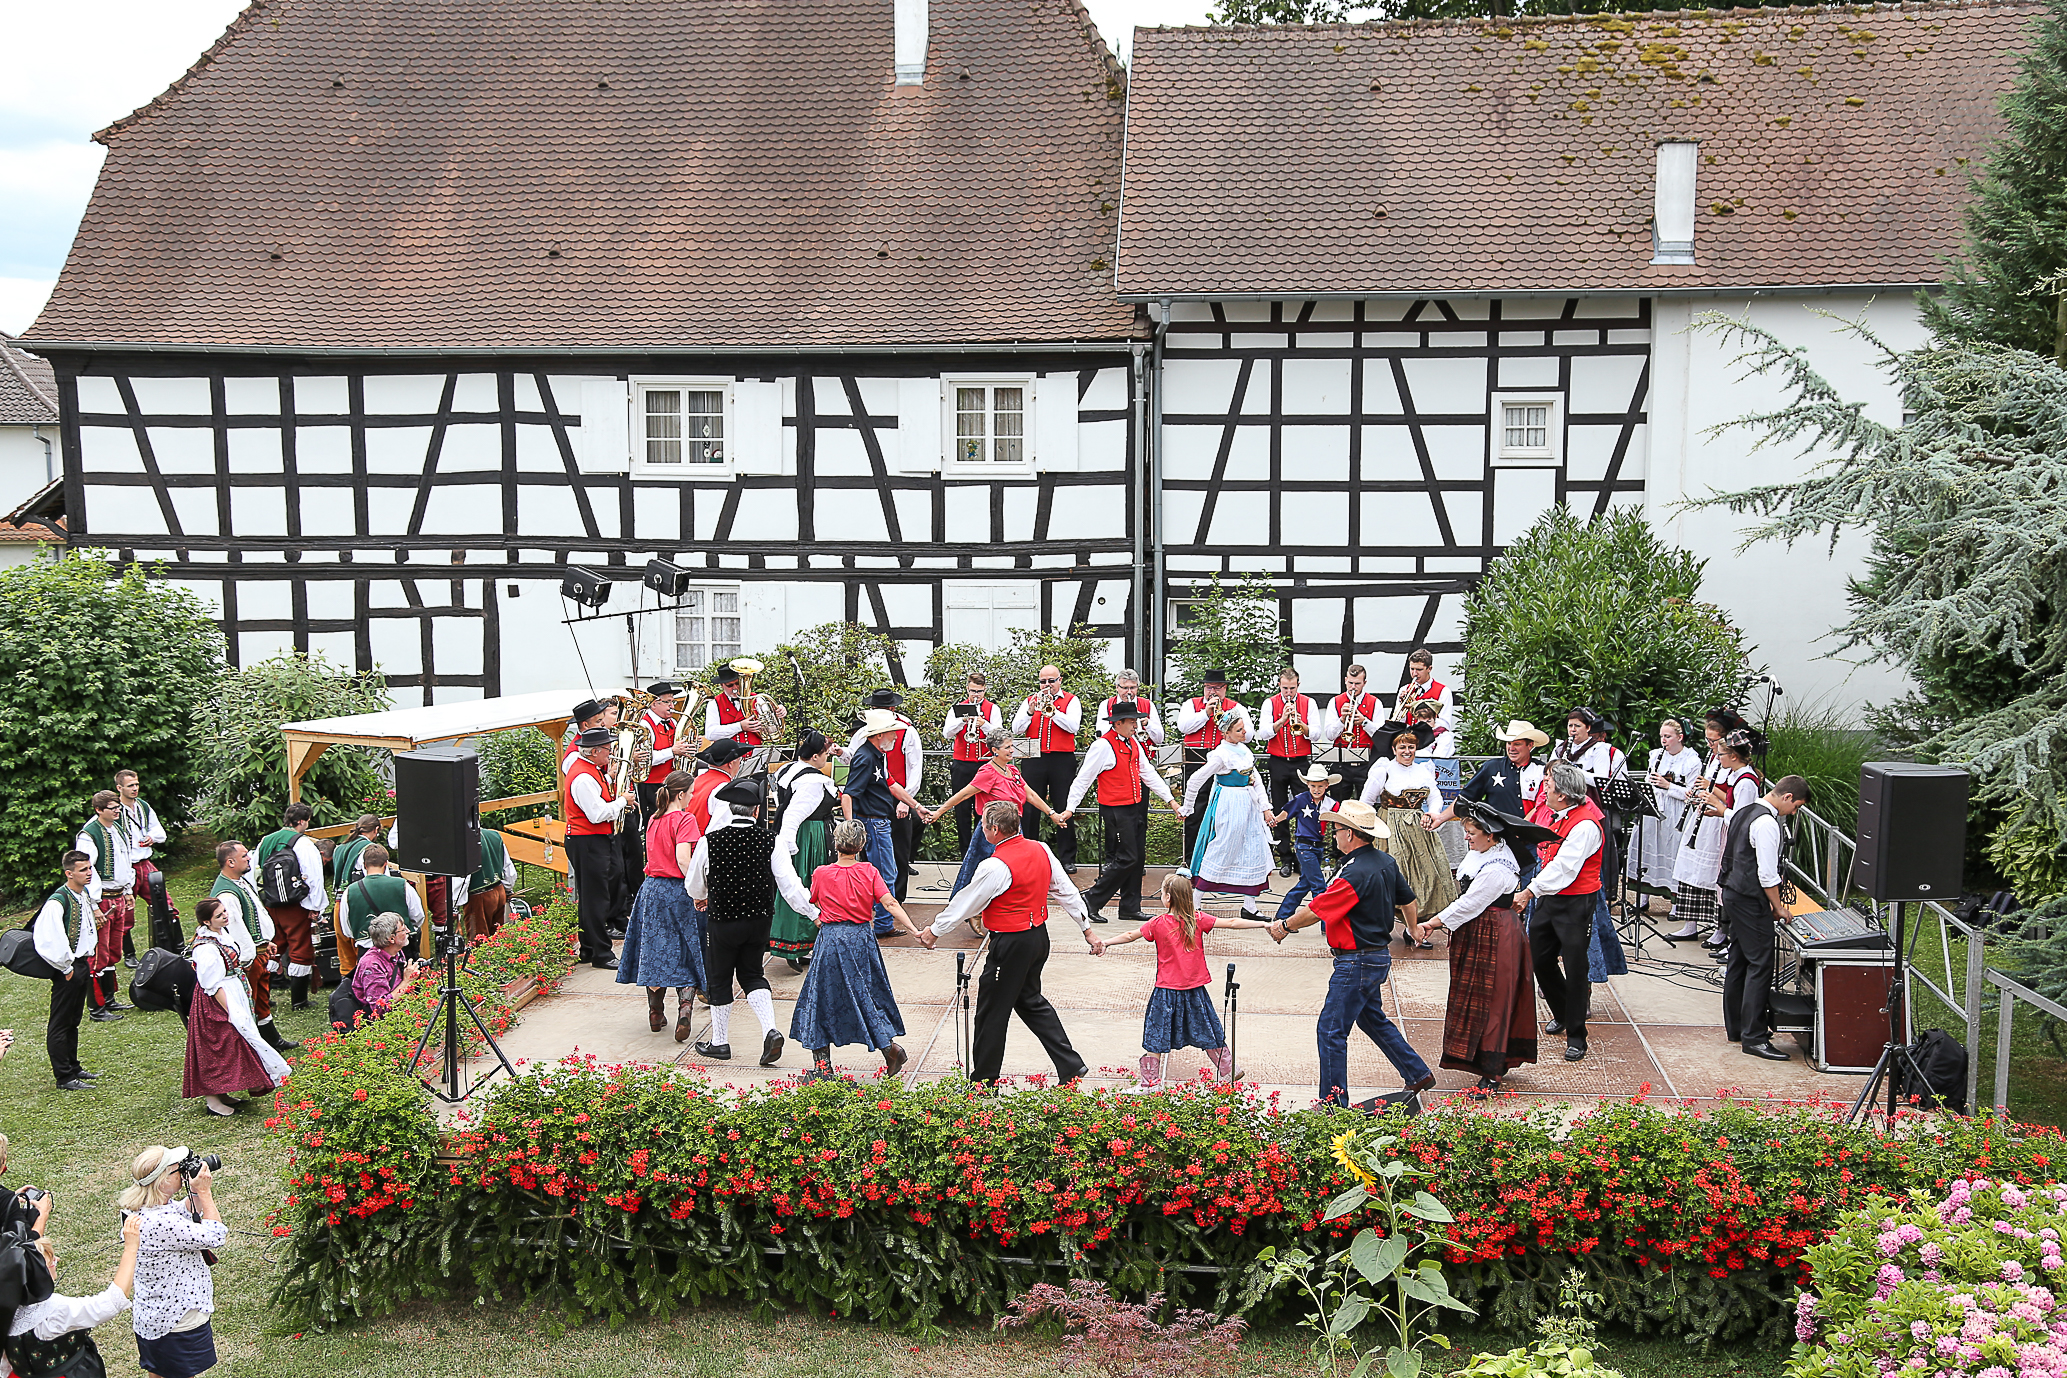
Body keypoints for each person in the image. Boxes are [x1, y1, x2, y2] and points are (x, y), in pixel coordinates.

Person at [1265, 800, 1434, 1110]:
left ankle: (1332, 1104)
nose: (1333, 835)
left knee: (1330, 1030)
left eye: (1338, 830)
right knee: (1373, 1021)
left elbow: (1318, 909)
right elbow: (1408, 900)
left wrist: (1284, 926)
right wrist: (1413, 929)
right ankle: (1417, 1073)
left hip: (1356, 961)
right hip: (1374, 958)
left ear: (1352, 834)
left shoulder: (1354, 873)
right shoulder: (1384, 861)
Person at [922, 801, 1103, 1085]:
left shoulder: (994, 866)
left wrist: (935, 930)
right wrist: (1086, 928)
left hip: (1011, 944)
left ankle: (984, 1083)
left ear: (994, 829)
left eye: (983, 826)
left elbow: (966, 903)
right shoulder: (1041, 849)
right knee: (1030, 1001)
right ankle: (1070, 1064)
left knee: (991, 1012)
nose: (982, 830)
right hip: (1038, 939)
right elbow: (1066, 890)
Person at [1407, 801, 1540, 1091]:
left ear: (1491, 836)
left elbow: (1470, 904)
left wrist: (1432, 923)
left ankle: (1493, 1068)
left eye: (1471, 833)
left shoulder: (1498, 868)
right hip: (1481, 931)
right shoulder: (1486, 851)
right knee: (1479, 996)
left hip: (1495, 934)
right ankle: (1483, 1059)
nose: (1466, 838)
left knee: (1494, 998)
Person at [780, 818, 926, 1080]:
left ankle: (823, 1068)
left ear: (836, 844)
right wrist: (914, 930)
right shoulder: (869, 871)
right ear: (862, 845)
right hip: (861, 940)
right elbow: (890, 903)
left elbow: (813, 900)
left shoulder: (822, 873)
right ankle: (890, 1049)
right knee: (866, 996)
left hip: (832, 941)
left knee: (820, 999)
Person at [1098, 873, 1268, 1087]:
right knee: (1208, 1029)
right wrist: (1263, 925)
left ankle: (1150, 1083)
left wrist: (1106, 942)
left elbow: (1131, 934)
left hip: (1166, 991)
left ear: (1168, 898)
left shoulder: (1158, 923)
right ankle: (1229, 1068)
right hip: (1195, 989)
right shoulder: (1197, 919)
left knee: (1156, 1033)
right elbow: (1232, 922)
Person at [1515, 761, 1607, 1063]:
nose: (1545, 788)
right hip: (1551, 898)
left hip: (1576, 903)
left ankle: (1577, 1035)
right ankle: (1564, 1011)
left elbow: (1565, 868)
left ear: (1564, 795)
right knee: (1540, 958)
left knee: (1576, 965)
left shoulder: (1585, 825)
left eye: (1550, 784)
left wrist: (1529, 891)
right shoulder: (1556, 815)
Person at [686, 776, 782, 1065]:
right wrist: (813, 913)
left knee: (719, 977)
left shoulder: (710, 841)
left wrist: (701, 896)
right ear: (755, 811)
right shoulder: (770, 840)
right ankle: (770, 1030)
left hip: (723, 920)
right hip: (758, 920)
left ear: (730, 809)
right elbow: (786, 882)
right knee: (752, 974)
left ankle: (720, 1042)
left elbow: (693, 884)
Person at [1063, 702, 1183, 925]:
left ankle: (1130, 906)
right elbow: (1084, 779)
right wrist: (1071, 807)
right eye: (1131, 722)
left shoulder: (1133, 742)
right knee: (1127, 857)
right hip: (1115, 810)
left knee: (1136, 858)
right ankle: (1091, 899)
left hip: (1134, 807)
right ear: (1118, 724)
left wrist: (1171, 801)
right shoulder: (1102, 746)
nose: (1135, 726)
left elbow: (1148, 773)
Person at [1719, 775, 1811, 1060]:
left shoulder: (1744, 810)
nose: (1793, 812)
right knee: (1760, 963)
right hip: (1749, 898)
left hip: (1732, 892)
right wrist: (1779, 907)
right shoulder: (1768, 823)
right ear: (1786, 797)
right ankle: (1754, 1037)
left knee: (1739, 959)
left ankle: (1737, 1027)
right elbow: (1767, 874)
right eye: (1795, 806)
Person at [928, 730, 1069, 903]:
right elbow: (963, 795)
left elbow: (1030, 795)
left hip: (1014, 828)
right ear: (995, 750)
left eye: (1012, 746)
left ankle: (1001, 908)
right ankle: (975, 909)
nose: (1011, 750)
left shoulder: (1012, 770)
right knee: (989, 872)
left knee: (1011, 871)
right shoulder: (987, 772)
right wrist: (939, 812)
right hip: (993, 830)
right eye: (1007, 747)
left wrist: (1052, 813)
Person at [123, 1146, 228, 1378]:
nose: (182, 1172)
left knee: (160, 1372)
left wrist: (195, 1193)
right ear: (162, 1181)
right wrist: (206, 1193)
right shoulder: (162, 1223)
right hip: (177, 1318)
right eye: (176, 1170)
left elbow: (180, 1212)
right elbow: (216, 1235)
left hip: (155, 1315)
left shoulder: (144, 1209)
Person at [617, 769, 705, 1042]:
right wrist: (699, 887)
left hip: (651, 890)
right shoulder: (684, 819)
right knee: (685, 949)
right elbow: (682, 859)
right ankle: (686, 1007)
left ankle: (656, 1013)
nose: (692, 799)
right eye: (690, 793)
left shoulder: (654, 819)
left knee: (654, 950)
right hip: (677, 890)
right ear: (681, 794)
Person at [184, 898, 291, 1117]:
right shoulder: (205, 947)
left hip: (232, 990)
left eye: (224, 912)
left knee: (234, 1044)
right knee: (219, 1046)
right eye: (219, 915)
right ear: (206, 921)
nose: (225, 916)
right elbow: (211, 984)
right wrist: (231, 1011)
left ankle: (222, 1092)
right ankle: (212, 1099)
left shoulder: (221, 934)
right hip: (217, 999)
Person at [2, 1207, 139, 1378]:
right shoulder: (53, 1310)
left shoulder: (6, 1309)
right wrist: (131, 1248)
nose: (55, 1261)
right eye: (51, 1261)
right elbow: (112, 1302)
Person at [1549, 707, 1631, 984]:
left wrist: (1578, 777)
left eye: (1577, 726)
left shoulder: (1608, 752)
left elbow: (1616, 785)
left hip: (1592, 814)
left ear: (1589, 728)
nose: (1572, 731)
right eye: (1570, 726)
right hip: (1560, 815)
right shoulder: (1560, 750)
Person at [1179, 709, 1281, 920]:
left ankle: (1250, 906)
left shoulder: (1244, 751)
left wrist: (1265, 807)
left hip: (1248, 804)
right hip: (1229, 803)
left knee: (1254, 849)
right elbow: (1195, 780)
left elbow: (1257, 780)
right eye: (1239, 729)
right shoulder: (1221, 755)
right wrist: (1187, 807)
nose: (1244, 732)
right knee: (1222, 847)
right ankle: (1195, 903)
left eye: (1243, 728)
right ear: (1226, 734)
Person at [1359, 720, 1459, 933]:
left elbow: (1435, 797)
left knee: (1425, 875)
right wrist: (1369, 829)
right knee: (1394, 875)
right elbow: (1366, 801)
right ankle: (1382, 925)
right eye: (1402, 747)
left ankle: (1414, 927)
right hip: (1390, 829)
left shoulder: (1423, 770)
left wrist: (1433, 813)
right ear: (1394, 748)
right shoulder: (1384, 769)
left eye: (1411, 747)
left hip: (1419, 829)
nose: (1407, 751)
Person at [840, 709, 928, 936]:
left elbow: (892, 784)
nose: (896, 738)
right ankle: (882, 924)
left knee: (884, 872)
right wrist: (852, 827)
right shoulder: (865, 758)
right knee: (886, 873)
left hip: (878, 821)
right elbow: (849, 794)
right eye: (892, 733)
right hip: (873, 822)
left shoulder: (876, 755)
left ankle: (880, 921)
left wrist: (916, 805)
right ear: (879, 735)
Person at [1682, 724, 1764, 956]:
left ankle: (1735, 942)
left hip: (1739, 841)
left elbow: (1742, 818)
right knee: (1726, 885)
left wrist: (1719, 808)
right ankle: (1732, 942)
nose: (1718, 758)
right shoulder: (1736, 776)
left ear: (1734, 756)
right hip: (1729, 834)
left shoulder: (1746, 781)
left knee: (1734, 887)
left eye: (1722, 754)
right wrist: (1715, 809)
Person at [206, 841, 294, 1053]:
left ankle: (272, 1040)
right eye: (244, 855)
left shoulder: (238, 882)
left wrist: (266, 941)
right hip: (248, 958)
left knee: (262, 998)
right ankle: (250, 1047)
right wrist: (247, 959)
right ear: (230, 862)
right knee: (250, 1001)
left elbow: (254, 916)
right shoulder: (226, 894)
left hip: (259, 952)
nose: (248, 858)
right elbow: (236, 931)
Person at [1436, 720, 1549, 884]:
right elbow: (1466, 799)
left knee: (1529, 889)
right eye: (1509, 743)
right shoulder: (1491, 767)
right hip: (1497, 841)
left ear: (1530, 745)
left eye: (1517, 744)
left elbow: (1542, 805)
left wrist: (1522, 829)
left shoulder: (1541, 770)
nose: (1511, 748)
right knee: (1493, 886)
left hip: (1529, 843)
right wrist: (1440, 818)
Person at [562, 725, 631, 970]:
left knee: (594, 897)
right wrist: (623, 801)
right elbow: (597, 813)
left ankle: (589, 949)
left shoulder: (590, 770)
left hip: (592, 839)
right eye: (607, 750)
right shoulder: (582, 777)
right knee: (595, 899)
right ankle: (601, 953)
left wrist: (611, 778)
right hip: (587, 840)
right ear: (593, 752)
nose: (610, 753)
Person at [32, 851, 102, 1091]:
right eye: (83, 870)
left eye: (90, 868)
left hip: (81, 964)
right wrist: (66, 967)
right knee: (61, 1022)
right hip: (68, 969)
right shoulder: (57, 901)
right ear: (69, 873)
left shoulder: (82, 895)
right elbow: (48, 938)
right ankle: (64, 1076)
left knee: (73, 1020)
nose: (89, 873)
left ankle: (73, 1066)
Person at [770, 735, 838, 969]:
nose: (826, 758)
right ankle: (800, 944)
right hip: (807, 837)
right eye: (825, 754)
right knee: (807, 884)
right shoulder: (812, 781)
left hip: (800, 835)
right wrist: (789, 848)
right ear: (816, 755)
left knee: (795, 884)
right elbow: (792, 817)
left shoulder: (788, 769)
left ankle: (796, 943)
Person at [255, 802, 327, 1010]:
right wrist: (315, 907)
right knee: (300, 949)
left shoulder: (265, 841)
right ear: (303, 821)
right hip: (296, 905)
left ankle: (263, 996)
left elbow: (254, 872)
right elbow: (313, 877)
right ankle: (299, 1001)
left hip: (270, 904)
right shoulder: (303, 844)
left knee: (273, 946)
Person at [1012, 667, 1084, 873]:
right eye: (1043, 681)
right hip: (1033, 757)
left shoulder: (1071, 700)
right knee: (1030, 807)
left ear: (1059, 680)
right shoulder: (1030, 700)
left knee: (1064, 805)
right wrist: (1030, 711)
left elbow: (1073, 727)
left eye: (1051, 681)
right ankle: (1028, 854)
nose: (1046, 685)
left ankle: (1067, 858)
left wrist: (1053, 711)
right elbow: (1016, 728)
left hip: (1062, 758)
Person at [1634, 718, 1704, 916]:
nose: (1663, 741)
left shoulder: (1692, 760)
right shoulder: (1655, 755)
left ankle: (1676, 903)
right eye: (1661, 736)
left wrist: (1668, 786)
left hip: (1677, 812)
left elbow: (1693, 794)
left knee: (1674, 854)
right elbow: (1650, 778)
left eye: (1668, 736)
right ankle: (1642, 899)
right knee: (1647, 848)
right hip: (1655, 808)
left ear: (1680, 738)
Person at [1257, 667, 1325, 873]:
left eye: (1292, 688)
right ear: (1279, 685)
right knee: (1279, 809)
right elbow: (1263, 733)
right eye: (1285, 688)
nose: (1289, 693)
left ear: (1298, 686)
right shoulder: (1270, 703)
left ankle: (1305, 856)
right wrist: (1282, 721)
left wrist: (1300, 723)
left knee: (1307, 808)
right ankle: (1285, 858)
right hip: (1277, 761)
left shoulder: (1308, 703)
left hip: (1301, 762)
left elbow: (1315, 734)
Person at [1172, 671, 1246, 858]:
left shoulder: (1236, 707)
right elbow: (1184, 727)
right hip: (1195, 761)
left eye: (1217, 688)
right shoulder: (1191, 705)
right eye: (1209, 687)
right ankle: (1191, 857)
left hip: (1224, 762)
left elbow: (1249, 734)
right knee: (1195, 810)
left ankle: (1217, 856)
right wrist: (1206, 713)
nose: (1212, 691)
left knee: (1222, 812)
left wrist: (1229, 720)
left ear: (1225, 688)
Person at [76, 790, 135, 1021]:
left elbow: (125, 860)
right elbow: (89, 873)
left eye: (118, 807)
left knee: (112, 951)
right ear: (99, 810)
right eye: (113, 808)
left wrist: (128, 890)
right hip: (102, 899)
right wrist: (94, 905)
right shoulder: (89, 835)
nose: (118, 811)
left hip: (118, 895)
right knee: (98, 953)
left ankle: (110, 999)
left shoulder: (117, 828)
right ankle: (97, 1008)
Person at [333, 845, 424, 976]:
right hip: (400, 949)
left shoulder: (349, 891)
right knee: (407, 990)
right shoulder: (402, 885)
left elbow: (347, 929)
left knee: (372, 991)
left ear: (364, 865)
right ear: (386, 863)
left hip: (367, 951)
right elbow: (418, 916)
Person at [941, 671, 1004, 855]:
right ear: (967, 689)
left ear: (985, 690)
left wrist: (984, 724)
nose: (975, 695)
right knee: (961, 809)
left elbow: (999, 735)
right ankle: (964, 853)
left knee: (985, 809)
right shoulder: (957, 709)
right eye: (972, 691)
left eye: (979, 691)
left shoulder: (993, 709)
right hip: (962, 764)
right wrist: (963, 721)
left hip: (984, 765)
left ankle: (984, 851)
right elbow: (947, 733)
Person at [1273, 764, 1340, 922]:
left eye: (1320, 786)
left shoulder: (1330, 803)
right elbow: (1286, 812)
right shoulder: (1301, 799)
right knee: (1319, 886)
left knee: (1305, 884)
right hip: (1304, 846)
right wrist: (1275, 820)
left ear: (1326, 786)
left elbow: (1339, 818)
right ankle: (1326, 923)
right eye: (1313, 786)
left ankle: (1283, 915)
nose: (1316, 789)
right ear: (1308, 785)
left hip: (1318, 847)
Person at [115, 768, 169, 959]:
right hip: (126, 866)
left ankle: (168, 946)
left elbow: (160, 833)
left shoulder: (143, 807)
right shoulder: (114, 811)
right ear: (119, 787)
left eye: (137, 784)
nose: (135, 788)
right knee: (125, 912)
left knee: (165, 903)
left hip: (144, 863)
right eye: (131, 786)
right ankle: (129, 954)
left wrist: (151, 838)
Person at [349, 913, 422, 1017]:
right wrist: (407, 981)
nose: (408, 931)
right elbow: (379, 1008)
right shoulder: (371, 965)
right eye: (403, 929)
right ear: (392, 939)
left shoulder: (396, 952)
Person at [453, 826, 516, 942]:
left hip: (478, 897)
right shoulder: (494, 835)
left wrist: (454, 905)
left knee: (478, 941)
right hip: (499, 891)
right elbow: (508, 868)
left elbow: (463, 878)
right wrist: (508, 889)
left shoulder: (464, 841)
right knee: (497, 937)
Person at [1329, 665, 1382, 802]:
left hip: (1366, 763)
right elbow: (1329, 735)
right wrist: (1342, 720)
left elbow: (1381, 735)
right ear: (1345, 680)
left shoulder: (1375, 703)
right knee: (1338, 805)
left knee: (1365, 807)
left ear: (1364, 683)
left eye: (1358, 683)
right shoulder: (1335, 702)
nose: (1353, 687)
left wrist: (1364, 722)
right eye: (1350, 683)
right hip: (1341, 763)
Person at [638, 681, 686, 820]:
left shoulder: (673, 722)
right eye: (668, 702)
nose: (672, 706)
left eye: (673, 701)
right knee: (656, 821)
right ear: (654, 704)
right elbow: (645, 758)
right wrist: (672, 751)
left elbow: (677, 749)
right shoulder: (644, 724)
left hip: (671, 781)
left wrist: (688, 746)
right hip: (652, 785)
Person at [686, 738, 752, 835]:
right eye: (739, 760)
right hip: (705, 845)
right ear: (731, 764)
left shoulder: (696, 780)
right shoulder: (724, 790)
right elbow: (719, 830)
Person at [1390, 648, 1455, 736]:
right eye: (1412, 669)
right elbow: (1399, 722)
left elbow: (1444, 724)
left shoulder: (1443, 691)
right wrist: (1402, 708)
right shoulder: (1404, 689)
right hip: (1409, 741)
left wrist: (1417, 707)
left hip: (1431, 741)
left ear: (1429, 668)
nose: (1414, 674)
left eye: (1419, 669)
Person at [1094, 669, 1167, 746]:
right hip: (1115, 753)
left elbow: (1159, 739)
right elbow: (1101, 735)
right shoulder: (1106, 705)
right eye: (1125, 688)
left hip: (1144, 755)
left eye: (1132, 688)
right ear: (1117, 687)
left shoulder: (1148, 704)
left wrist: (1148, 724)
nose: (1129, 692)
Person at [329, 814, 383, 893]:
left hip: (341, 895)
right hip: (360, 895)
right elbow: (375, 879)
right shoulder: (369, 849)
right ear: (376, 829)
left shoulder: (339, 848)